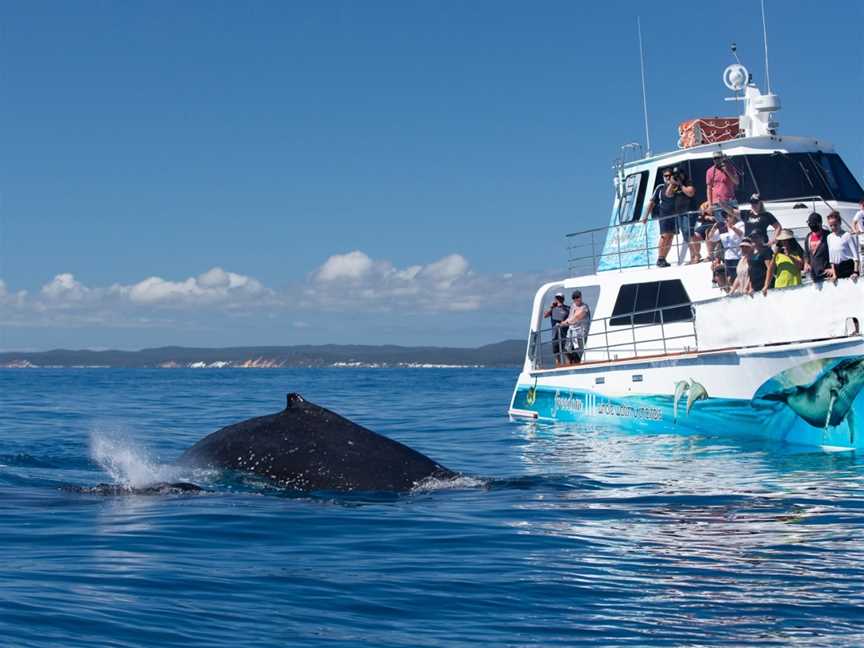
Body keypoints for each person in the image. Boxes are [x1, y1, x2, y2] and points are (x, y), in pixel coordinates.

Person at [641, 167, 696, 267]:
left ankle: (664, 259)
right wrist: (645, 216)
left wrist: (676, 183)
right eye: (665, 176)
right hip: (665, 215)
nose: (668, 177)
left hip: (676, 215)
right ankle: (660, 258)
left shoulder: (678, 186)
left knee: (671, 237)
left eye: (669, 176)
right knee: (664, 235)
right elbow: (653, 202)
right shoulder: (660, 187)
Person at [763, 229, 804, 295]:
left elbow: (800, 266)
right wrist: (766, 286)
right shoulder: (777, 255)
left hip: (795, 287)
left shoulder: (797, 253)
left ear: (791, 241)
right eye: (782, 241)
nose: (784, 242)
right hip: (780, 288)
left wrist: (789, 256)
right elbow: (770, 270)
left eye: (786, 240)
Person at [709, 210, 744, 284]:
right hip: (728, 257)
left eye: (729, 216)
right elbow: (712, 238)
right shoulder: (723, 228)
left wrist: (732, 227)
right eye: (726, 216)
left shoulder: (740, 224)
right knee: (731, 277)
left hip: (739, 256)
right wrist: (713, 228)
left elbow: (742, 235)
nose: (727, 218)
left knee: (740, 276)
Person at [706, 151, 739, 224]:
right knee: (722, 226)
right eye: (714, 158)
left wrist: (726, 170)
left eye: (718, 158)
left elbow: (736, 181)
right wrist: (710, 204)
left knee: (735, 224)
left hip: (730, 201)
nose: (716, 160)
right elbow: (709, 189)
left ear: (722, 158)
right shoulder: (710, 171)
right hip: (717, 202)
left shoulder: (730, 168)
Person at [826, 211, 860, 281]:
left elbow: (856, 256)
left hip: (849, 269)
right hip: (837, 270)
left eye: (835, 225)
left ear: (840, 223)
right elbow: (831, 259)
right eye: (831, 225)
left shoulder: (847, 235)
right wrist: (834, 275)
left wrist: (855, 272)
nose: (833, 227)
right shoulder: (829, 237)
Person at [560, 290, 591, 365]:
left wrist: (566, 323)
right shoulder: (573, 306)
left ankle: (578, 363)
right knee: (566, 349)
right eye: (574, 298)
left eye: (577, 297)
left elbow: (577, 317)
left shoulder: (584, 307)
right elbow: (570, 317)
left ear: (580, 297)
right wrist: (563, 323)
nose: (576, 299)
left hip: (581, 333)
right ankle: (571, 364)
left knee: (578, 351)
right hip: (572, 331)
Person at [803, 212, 831, 282]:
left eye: (814, 224)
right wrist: (806, 263)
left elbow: (835, 253)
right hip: (814, 276)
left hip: (827, 275)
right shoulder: (808, 237)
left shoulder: (828, 236)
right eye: (810, 224)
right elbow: (806, 253)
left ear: (820, 223)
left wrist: (833, 269)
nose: (812, 225)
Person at [543, 292, 569, 367]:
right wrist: (551, 307)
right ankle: (558, 367)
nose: (559, 300)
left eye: (560, 298)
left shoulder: (567, 308)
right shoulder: (553, 309)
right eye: (557, 298)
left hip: (565, 333)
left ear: (563, 299)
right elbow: (545, 315)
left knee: (566, 351)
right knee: (556, 352)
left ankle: (568, 367)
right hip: (555, 333)